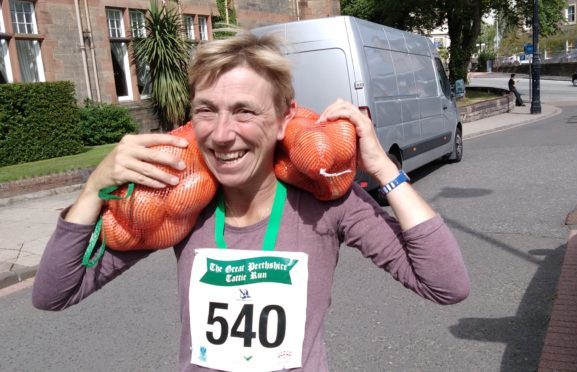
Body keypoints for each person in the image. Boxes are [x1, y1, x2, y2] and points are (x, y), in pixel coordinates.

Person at [32, 32, 470, 371]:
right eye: (206, 110)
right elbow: (55, 293)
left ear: (283, 119)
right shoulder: (182, 201)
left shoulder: (326, 204)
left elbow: (445, 285)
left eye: (245, 111)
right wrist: (94, 189)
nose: (222, 134)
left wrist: (382, 168)